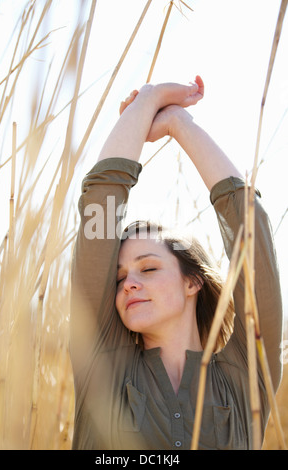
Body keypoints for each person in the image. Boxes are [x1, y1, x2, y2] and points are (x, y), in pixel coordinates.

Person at [70, 78, 283, 450]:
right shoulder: (104, 363)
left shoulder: (245, 377)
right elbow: (100, 201)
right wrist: (148, 101)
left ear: (193, 282)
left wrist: (180, 125)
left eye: (148, 268)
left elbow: (250, 226)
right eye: (119, 278)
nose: (128, 284)